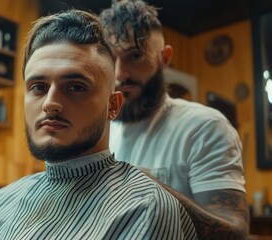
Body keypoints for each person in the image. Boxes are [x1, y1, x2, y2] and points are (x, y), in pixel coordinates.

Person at [0, 9, 197, 240]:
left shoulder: (144, 206)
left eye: (76, 87)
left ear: (113, 106)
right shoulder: (1, 199)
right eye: (38, 87)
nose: (50, 103)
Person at [99, 0, 248, 239]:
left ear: (165, 57)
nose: (120, 75)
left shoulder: (204, 127)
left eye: (135, 56)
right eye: (111, 60)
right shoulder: (100, 133)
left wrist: (146, 187)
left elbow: (235, 234)